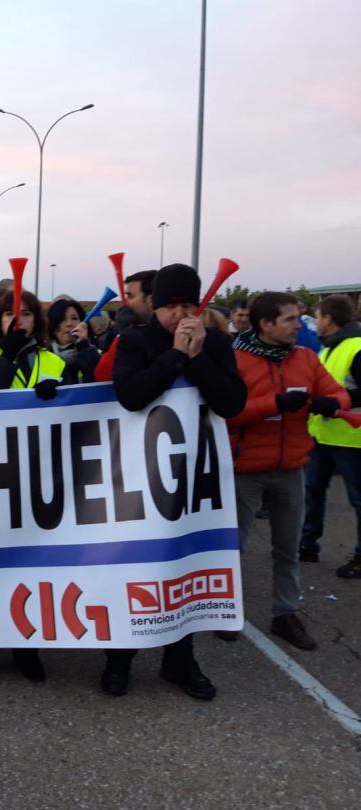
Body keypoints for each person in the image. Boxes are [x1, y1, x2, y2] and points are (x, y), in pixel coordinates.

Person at [105, 263, 247, 701]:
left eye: (189, 305)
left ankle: (179, 660)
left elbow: (232, 402)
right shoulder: (134, 341)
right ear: (155, 306)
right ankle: (119, 657)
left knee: (183, 565)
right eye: (171, 306)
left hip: (194, 477)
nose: (180, 314)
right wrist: (175, 357)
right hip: (139, 474)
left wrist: (200, 356)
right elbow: (130, 395)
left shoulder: (218, 343)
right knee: (135, 563)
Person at [227, 292, 348, 649]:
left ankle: (286, 613)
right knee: (234, 548)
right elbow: (226, 413)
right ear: (265, 324)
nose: (300, 325)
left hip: (292, 467)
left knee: (288, 548)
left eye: (300, 318)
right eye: (290, 319)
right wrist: (273, 404)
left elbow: (339, 393)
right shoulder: (236, 359)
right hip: (244, 469)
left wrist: (333, 403)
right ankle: (226, 611)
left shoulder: (305, 358)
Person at [0, 288, 68, 682]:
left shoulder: (53, 361)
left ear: (37, 322)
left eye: (25, 316)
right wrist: (7, 355)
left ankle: (27, 646)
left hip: (38, 475)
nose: (17, 322)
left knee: (33, 566)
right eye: (10, 315)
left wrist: (57, 397)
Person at [301, 294, 361, 578]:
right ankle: (307, 544)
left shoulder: (356, 347)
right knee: (313, 492)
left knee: (358, 500)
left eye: (318, 316)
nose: (315, 322)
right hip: (324, 436)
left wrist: (339, 401)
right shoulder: (327, 349)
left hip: (353, 439)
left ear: (329, 318)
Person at [94, 270, 157, 382]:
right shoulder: (123, 331)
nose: (126, 303)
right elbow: (102, 375)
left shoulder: (171, 332)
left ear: (150, 300)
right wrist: (125, 334)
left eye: (130, 297)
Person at [46, 298, 100, 382]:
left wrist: (83, 347)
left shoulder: (94, 353)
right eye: (62, 319)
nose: (69, 324)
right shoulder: (42, 356)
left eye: (74, 318)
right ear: (53, 326)